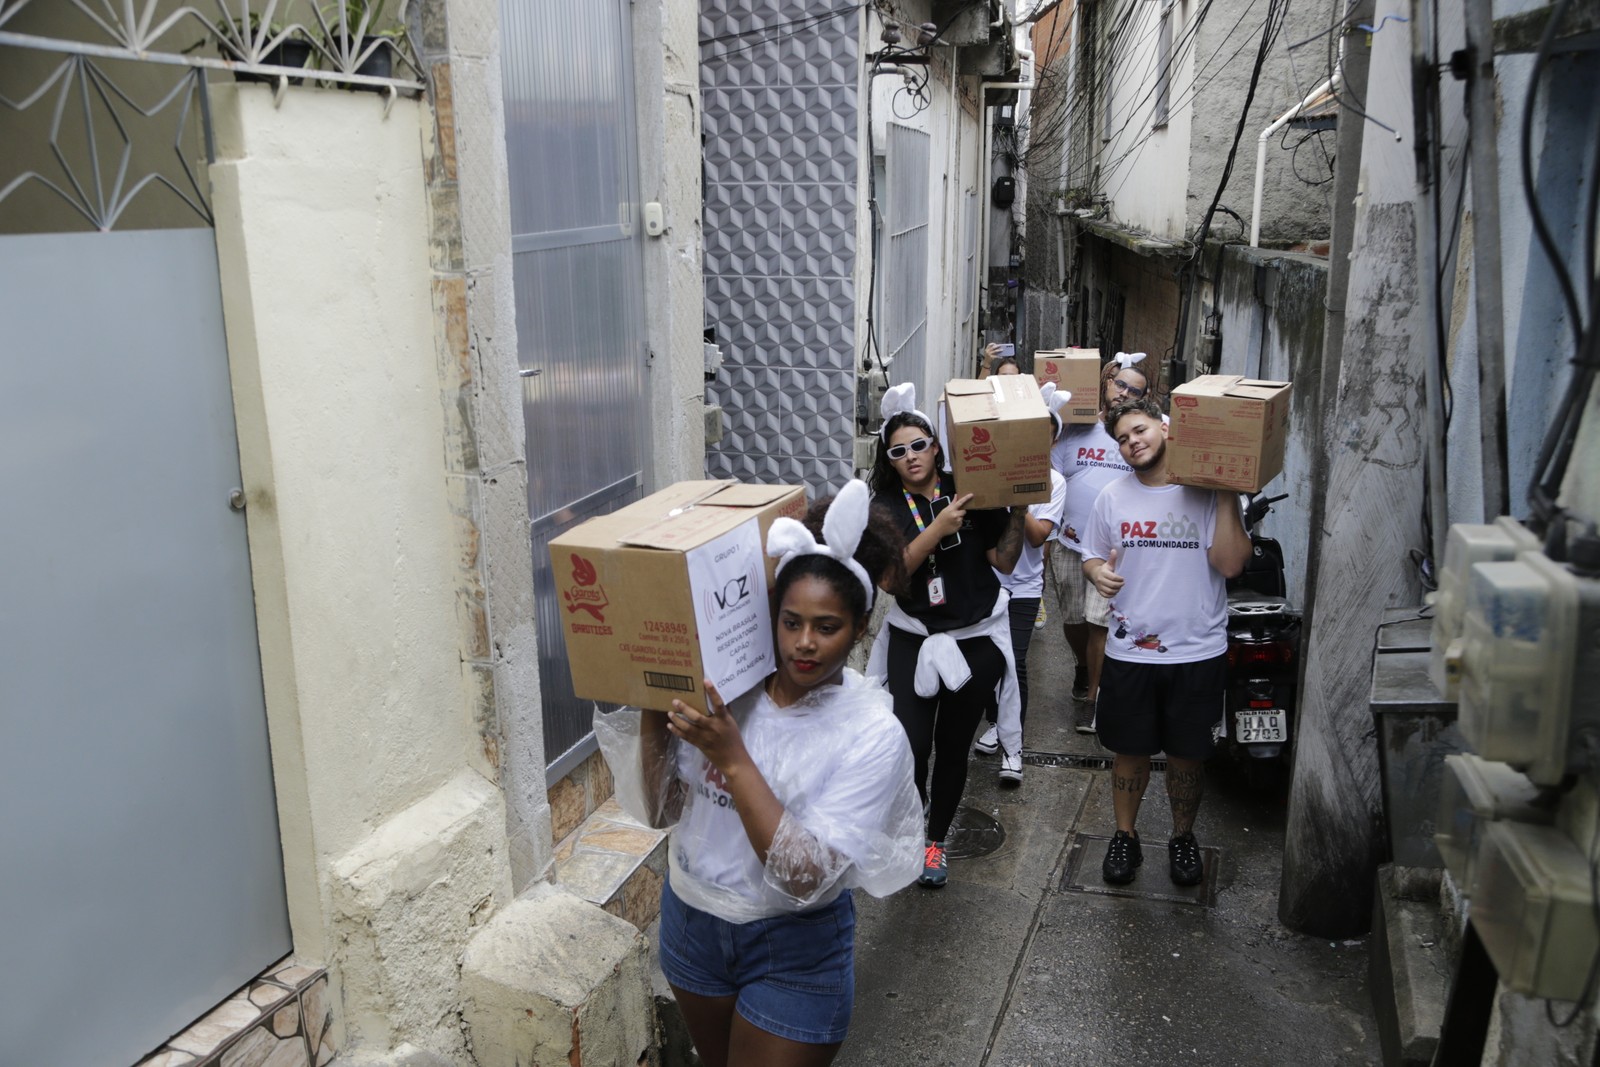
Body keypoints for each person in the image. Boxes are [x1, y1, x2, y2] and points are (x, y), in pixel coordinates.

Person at [595, 481, 923, 1067]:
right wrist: (654, 690)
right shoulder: (730, 688)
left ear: (861, 627)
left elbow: (805, 876)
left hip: (795, 951)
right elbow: (663, 812)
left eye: (827, 627)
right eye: (791, 621)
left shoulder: (871, 733)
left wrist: (733, 758)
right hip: (693, 924)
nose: (804, 644)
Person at [1080, 395, 1251, 887]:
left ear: (1164, 426)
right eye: (1122, 439)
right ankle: (1125, 838)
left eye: (1139, 430)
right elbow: (1092, 555)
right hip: (1131, 650)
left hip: (1197, 650)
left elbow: (1231, 565)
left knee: (1187, 756)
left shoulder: (1206, 494)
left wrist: (1223, 492)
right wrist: (1098, 575)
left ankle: (1181, 838)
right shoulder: (1112, 497)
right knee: (1128, 752)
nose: (1132, 442)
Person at [865, 383, 1027, 887]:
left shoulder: (971, 489)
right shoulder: (883, 509)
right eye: (898, 451)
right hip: (914, 636)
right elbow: (892, 581)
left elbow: (1003, 561)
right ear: (889, 461)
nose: (910, 456)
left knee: (953, 747)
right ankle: (912, 833)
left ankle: (935, 843)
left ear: (936, 446)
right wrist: (936, 528)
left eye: (918, 445)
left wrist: (1019, 508)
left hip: (975, 639)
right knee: (911, 746)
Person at [1049, 352, 1150, 731]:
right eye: (1119, 383)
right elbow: (1052, 483)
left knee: (1099, 626)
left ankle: (1094, 698)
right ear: (1107, 384)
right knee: (1074, 620)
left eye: (1133, 389)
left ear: (1145, 396)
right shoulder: (1075, 430)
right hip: (1069, 542)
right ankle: (1082, 666)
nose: (1124, 392)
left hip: (1112, 551)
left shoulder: (1139, 436)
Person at [973, 384, 1070, 774]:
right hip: (985, 582)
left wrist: (1018, 488)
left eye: (1045, 430)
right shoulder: (992, 466)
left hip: (1025, 588)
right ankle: (998, 722)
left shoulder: (1055, 482)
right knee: (985, 661)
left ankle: (1015, 745)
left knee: (1015, 662)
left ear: (1052, 438)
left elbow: (1036, 535)